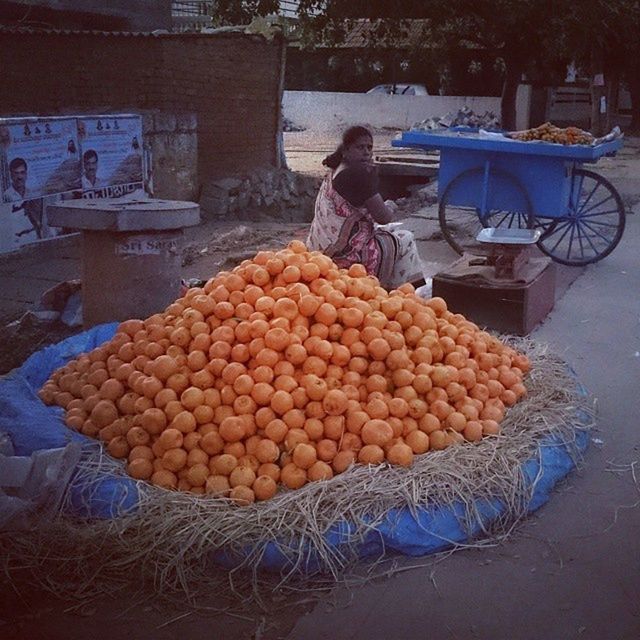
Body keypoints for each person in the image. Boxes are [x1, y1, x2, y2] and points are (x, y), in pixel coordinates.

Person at [306, 125, 424, 289]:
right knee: (405, 239)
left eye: (369, 148)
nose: (367, 152)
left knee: (390, 232)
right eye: (360, 147)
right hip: (346, 256)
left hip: (320, 250)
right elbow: (384, 217)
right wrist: (390, 206)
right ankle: (400, 294)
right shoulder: (358, 175)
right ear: (346, 150)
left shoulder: (338, 168)